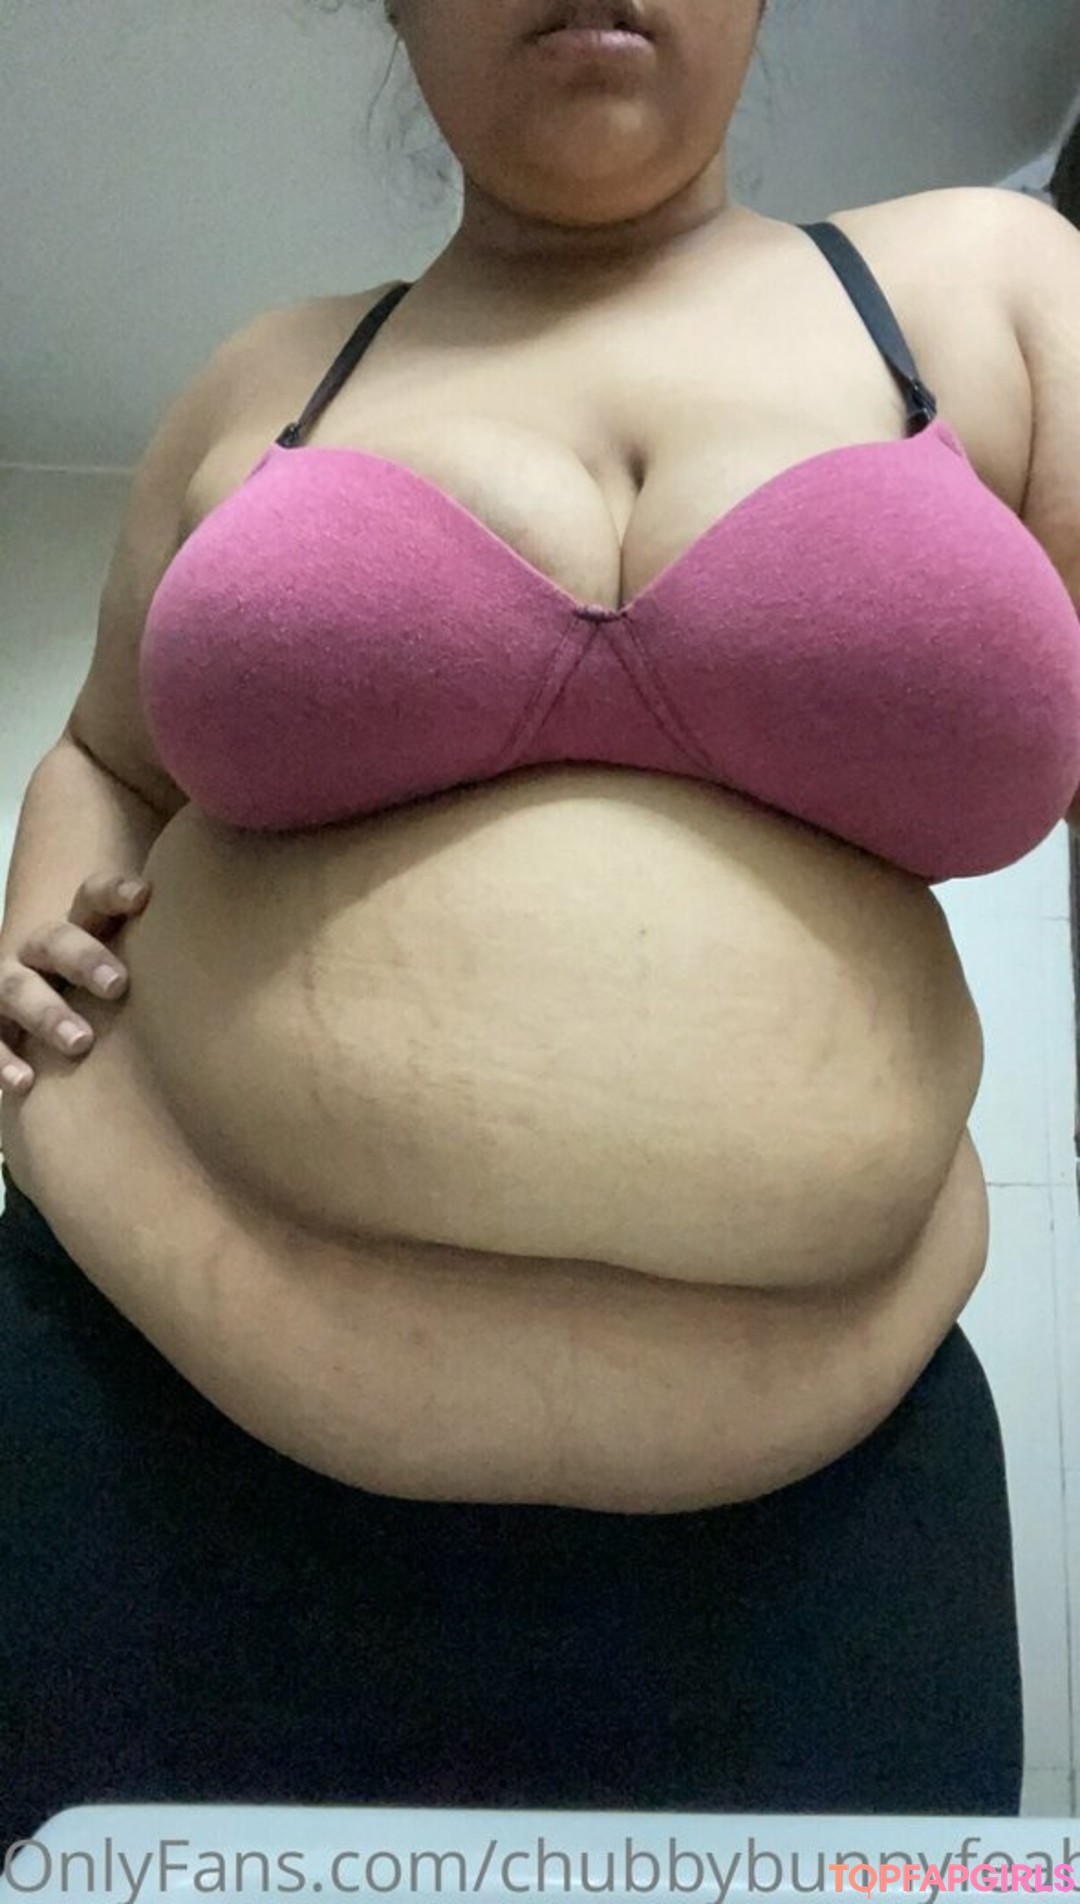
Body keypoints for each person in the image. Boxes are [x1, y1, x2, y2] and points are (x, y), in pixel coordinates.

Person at [2, 0, 1080, 1836]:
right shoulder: (268, 374)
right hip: (140, 1422)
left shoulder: (997, 292)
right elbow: (109, 757)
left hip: (824, 1523)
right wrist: (27, 952)